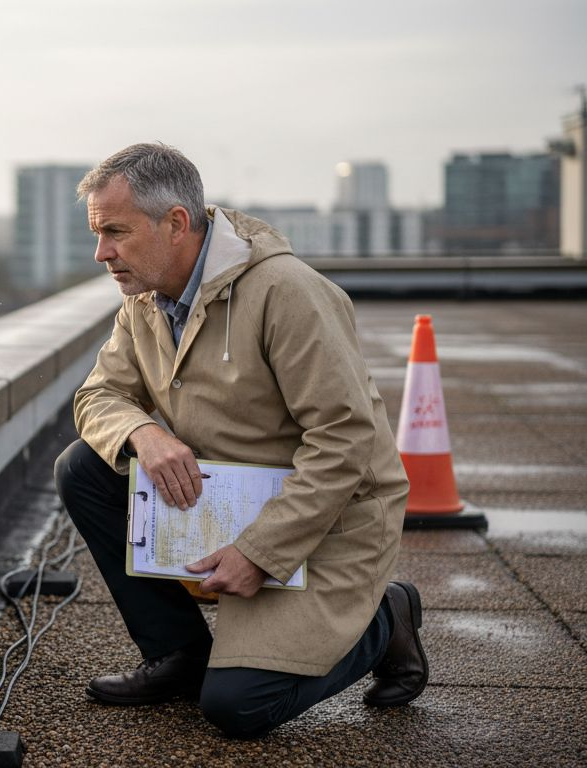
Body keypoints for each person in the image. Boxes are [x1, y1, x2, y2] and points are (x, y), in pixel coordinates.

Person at [54, 142, 426, 739]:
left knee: (237, 707)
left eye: (115, 232)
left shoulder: (288, 292)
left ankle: (387, 618)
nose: (102, 253)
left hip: (326, 522)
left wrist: (261, 553)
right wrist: (142, 431)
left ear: (175, 224)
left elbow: (345, 440)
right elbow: (95, 398)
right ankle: (180, 656)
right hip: (231, 497)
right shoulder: (145, 300)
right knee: (83, 467)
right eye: (100, 234)